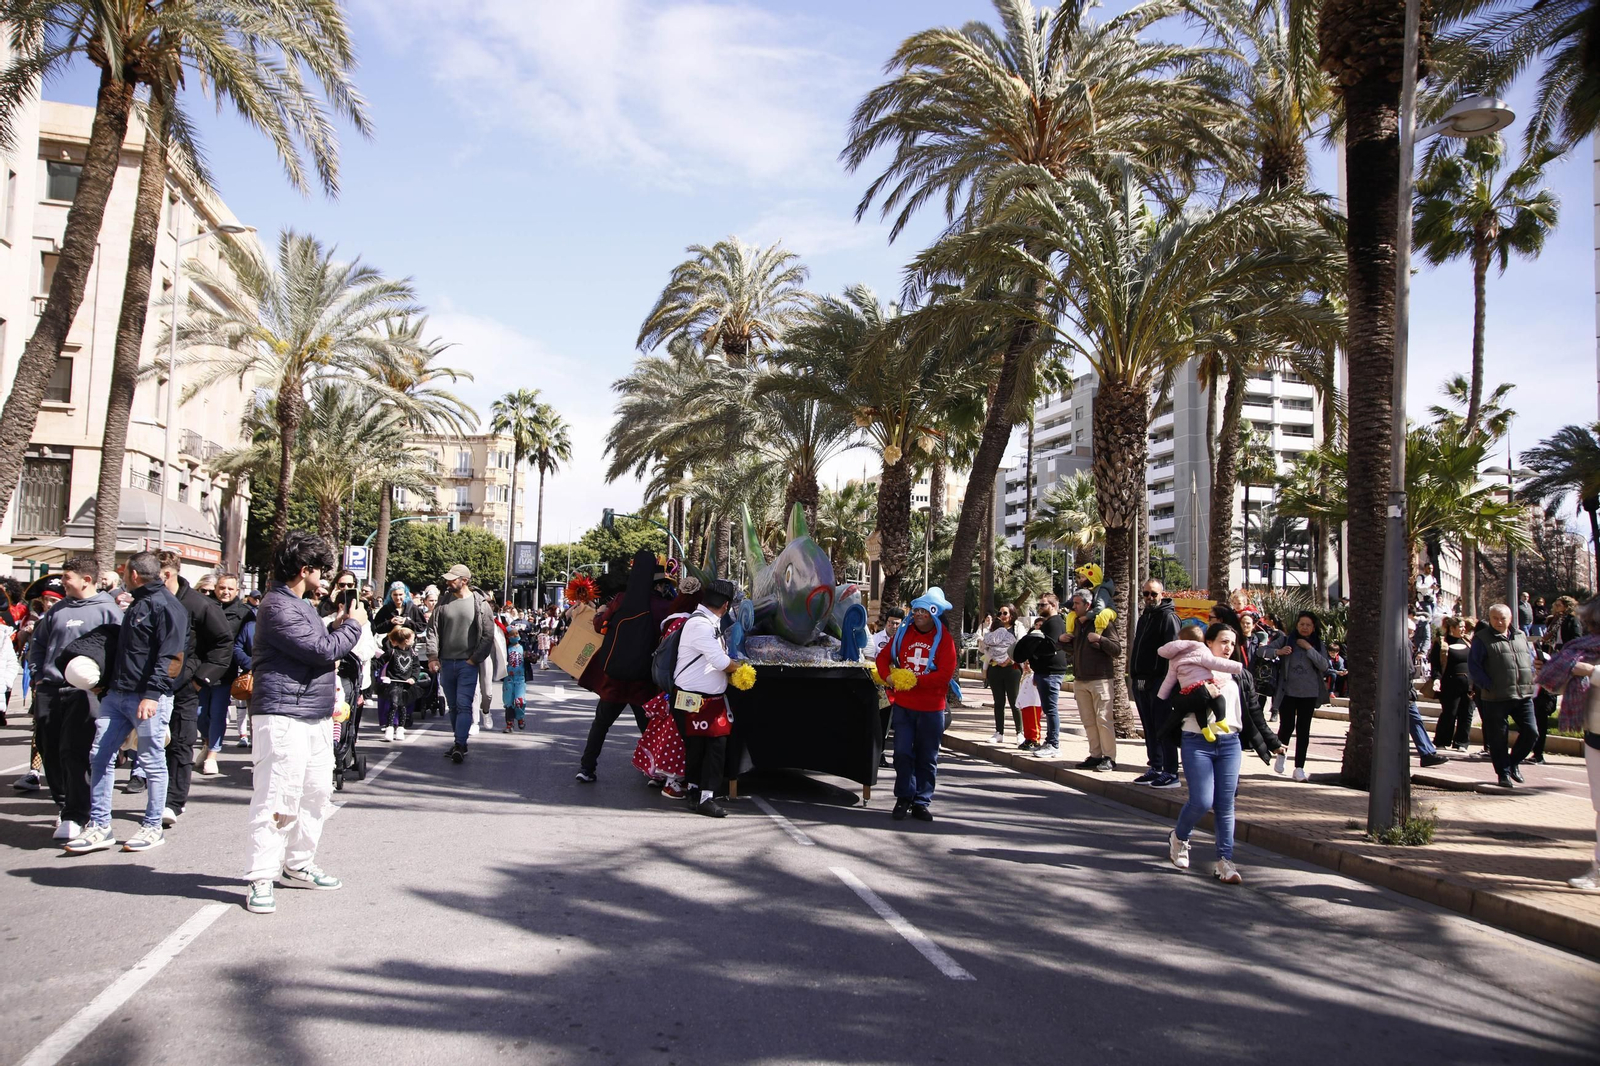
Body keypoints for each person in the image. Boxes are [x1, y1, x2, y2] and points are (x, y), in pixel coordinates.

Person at [241, 531, 366, 914]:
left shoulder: (301, 605)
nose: (325, 578)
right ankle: (261, 877)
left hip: (313, 714)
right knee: (276, 797)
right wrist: (353, 625)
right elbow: (321, 650)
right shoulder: (277, 606)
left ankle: (298, 863)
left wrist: (340, 625)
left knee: (315, 794)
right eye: (321, 570)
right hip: (283, 715)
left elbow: (319, 646)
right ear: (304, 568)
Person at [62, 551, 187, 855]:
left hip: (147, 698)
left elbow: (171, 657)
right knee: (99, 756)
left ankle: (153, 826)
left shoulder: (166, 606)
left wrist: (152, 695)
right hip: (117, 695)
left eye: (124, 571)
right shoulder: (138, 603)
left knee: (152, 761)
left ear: (133, 575)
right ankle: (100, 826)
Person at [1162, 621, 1277, 885]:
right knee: (1201, 801)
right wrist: (1204, 692)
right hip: (1197, 740)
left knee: (1225, 804)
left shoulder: (1238, 674)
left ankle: (1225, 861)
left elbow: (1253, 712)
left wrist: (1271, 742)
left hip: (1230, 743)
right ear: (1208, 643)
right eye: (1223, 642)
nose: (1228, 648)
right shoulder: (1189, 666)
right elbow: (1176, 701)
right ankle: (1179, 837)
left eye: (1232, 644)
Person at [29, 556, 121, 841]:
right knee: (49, 748)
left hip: (84, 693)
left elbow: (119, 650)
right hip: (49, 689)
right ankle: (64, 803)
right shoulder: (58, 610)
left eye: (67, 577)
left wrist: (103, 685)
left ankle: (76, 814)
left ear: (86, 580)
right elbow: (38, 644)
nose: (63, 582)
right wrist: (38, 675)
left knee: (74, 750)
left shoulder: (109, 610)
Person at [575, 551, 674, 783]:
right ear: (658, 584)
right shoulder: (664, 607)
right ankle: (655, 773)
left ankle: (587, 768)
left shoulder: (620, 599)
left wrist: (600, 613)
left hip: (615, 677)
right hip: (643, 679)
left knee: (601, 724)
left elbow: (600, 626)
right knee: (648, 727)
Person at [154, 551, 235, 830]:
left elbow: (223, 643)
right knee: (150, 744)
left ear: (167, 574)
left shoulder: (199, 605)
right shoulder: (148, 602)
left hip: (184, 688)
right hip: (150, 688)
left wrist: (199, 679)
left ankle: (173, 801)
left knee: (180, 742)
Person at [876, 586, 958, 822]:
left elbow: (945, 675)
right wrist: (889, 677)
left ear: (934, 614)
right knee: (902, 753)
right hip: (904, 706)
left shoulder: (945, 639)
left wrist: (914, 680)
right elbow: (883, 658)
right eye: (917, 610)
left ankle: (921, 801)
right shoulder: (903, 634)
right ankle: (904, 797)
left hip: (932, 709)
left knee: (927, 757)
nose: (919, 614)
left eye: (924, 611)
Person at [1535, 596, 1600, 891]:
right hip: (1594, 735)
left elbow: (1586, 674)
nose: (1591, 628)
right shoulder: (1582, 649)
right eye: (1590, 623)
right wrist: (1550, 668)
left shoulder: (1585, 656)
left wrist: (1591, 672)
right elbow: (1564, 684)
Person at [672, 579, 742, 817]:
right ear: (725, 605)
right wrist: (741, 670)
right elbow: (720, 661)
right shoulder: (701, 625)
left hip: (696, 698)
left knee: (698, 747)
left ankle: (694, 791)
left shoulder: (703, 622)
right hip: (697, 700)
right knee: (714, 747)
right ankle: (705, 798)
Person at [426, 564, 494, 764]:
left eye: (452, 579)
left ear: (464, 581)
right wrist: (432, 657)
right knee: (454, 706)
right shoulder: (443, 602)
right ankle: (460, 742)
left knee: (464, 704)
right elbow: (433, 630)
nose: (448, 582)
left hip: (467, 664)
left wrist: (474, 659)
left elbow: (488, 635)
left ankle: (459, 744)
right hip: (446, 663)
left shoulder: (480, 604)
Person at [1470, 604, 1539, 789]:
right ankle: (1503, 773)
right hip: (1495, 697)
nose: (1499, 622)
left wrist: (1533, 674)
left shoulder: (1521, 635)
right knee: (1498, 738)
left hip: (1523, 694)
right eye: (1495, 618)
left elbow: (1530, 659)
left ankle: (1513, 762)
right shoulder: (1481, 638)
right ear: (1490, 619)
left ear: (1510, 619)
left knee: (1532, 732)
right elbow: (1474, 666)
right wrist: (1487, 685)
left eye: (1503, 618)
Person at [198, 573, 254, 776]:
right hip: (201, 669)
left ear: (237, 590)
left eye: (230, 588)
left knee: (218, 714)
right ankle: (207, 743)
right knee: (199, 714)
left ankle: (212, 755)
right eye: (222, 588)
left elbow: (247, 642)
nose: (226, 592)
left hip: (226, 671)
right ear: (216, 588)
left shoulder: (245, 613)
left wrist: (249, 665)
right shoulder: (205, 606)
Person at [1268, 612, 1331, 782]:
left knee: (1303, 730)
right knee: (1286, 726)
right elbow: (1262, 651)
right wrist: (1278, 651)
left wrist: (1309, 648)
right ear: (1296, 625)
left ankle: (1299, 768)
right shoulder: (1286, 639)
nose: (1304, 627)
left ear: (1313, 628)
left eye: (1308, 625)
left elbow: (1324, 665)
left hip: (1309, 694)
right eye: (1302, 624)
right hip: (1287, 692)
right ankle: (1281, 754)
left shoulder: (1317, 644)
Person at [1062, 588, 1120, 771]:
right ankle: (1095, 755)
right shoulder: (1076, 623)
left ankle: (1109, 757)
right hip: (1081, 679)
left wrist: (1100, 639)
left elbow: (1116, 649)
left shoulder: (1103, 622)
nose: (1073, 606)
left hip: (1100, 679)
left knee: (1103, 720)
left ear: (1088, 605)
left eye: (1077, 603)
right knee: (1088, 721)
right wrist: (1062, 641)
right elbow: (1073, 649)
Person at [1130, 579, 1180, 786]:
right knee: (1149, 727)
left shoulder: (1168, 617)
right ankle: (1156, 766)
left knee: (1162, 727)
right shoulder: (1145, 617)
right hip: (1141, 680)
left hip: (1159, 681)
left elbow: (1173, 650)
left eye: (1153, 594)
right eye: (1146, 594)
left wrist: (1166, 681)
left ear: (1162, 594)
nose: (1149, 598)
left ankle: (1171, 771)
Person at [1027, 593, 1070, 759]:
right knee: (1047, 708)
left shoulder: (1054, 622)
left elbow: (1050, 646)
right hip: (1043, 671)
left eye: (1043, 604)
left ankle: (1054, 744)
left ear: (1053, 605)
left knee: (1051, 709)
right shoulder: (1048, 623)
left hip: (1051, 671)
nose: (1040, 607)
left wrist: (1034, 652)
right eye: (1039, 604)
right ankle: (1049, 741)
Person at [981, 605, 1024, 745]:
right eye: (1000, 613)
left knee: (1014, 701)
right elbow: (984, 647)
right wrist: (990, 661)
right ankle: (999, 732)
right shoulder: (993, 629)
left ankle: (1020, 733)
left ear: (1012, 614)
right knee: (998, 702)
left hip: (1012, 669)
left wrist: (1010, 660)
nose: (1002, 615)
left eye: (1005, 613)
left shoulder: (1018, 628)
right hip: (995, 668)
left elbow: (1022, 647)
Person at [1432, 617, 1475, 750]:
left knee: (1467, 713)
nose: (1463, 629)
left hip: (1468, 685)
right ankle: (1441, 741)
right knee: (1450, 713)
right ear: (1452, 628)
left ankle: (1461, 743)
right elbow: (1436, 664)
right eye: (1460, 627)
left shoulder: (1468, 642)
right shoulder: (1442, 643)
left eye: (1464, 627)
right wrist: (1436, 679)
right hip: (1450, 684)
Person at [502, 628, 527, 732]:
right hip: (508, 679)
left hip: (520, 678)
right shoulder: (505, 648)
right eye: (512, 634)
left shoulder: (523, 646)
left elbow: (532, 658)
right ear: (508, 637)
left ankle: (520, 717)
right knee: (508, 702)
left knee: (519, 701)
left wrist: (531, 657)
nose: (515, 636)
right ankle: (509, 724)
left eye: (516, 633)